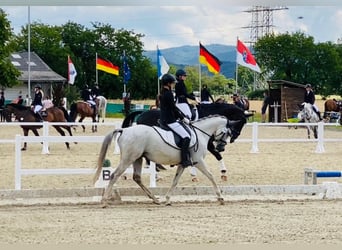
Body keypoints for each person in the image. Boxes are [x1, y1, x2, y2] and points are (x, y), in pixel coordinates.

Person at [159, 73, 193, 168]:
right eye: (173, 83)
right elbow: (173, 108)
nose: (174, 85)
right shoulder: (169, 94)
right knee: (186, 137)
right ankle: (183, 160)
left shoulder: (163, 93)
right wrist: (183, 118)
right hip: (170, 121)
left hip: (164, 119)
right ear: (169, 83)